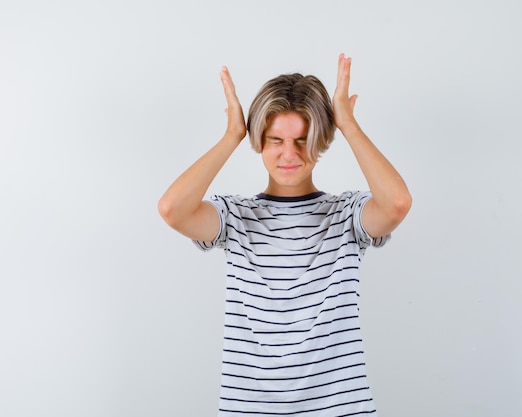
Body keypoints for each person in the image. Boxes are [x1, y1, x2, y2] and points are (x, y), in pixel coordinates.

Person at [158, 54, 412, 417]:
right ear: (259, 140)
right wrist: (232, 135)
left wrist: (348, 124)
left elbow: (397, 204)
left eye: (302, 140)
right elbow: (172, 209)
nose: (289, 154)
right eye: (276, 139)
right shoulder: (235, 216)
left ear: (321, 139)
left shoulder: (347, 214)